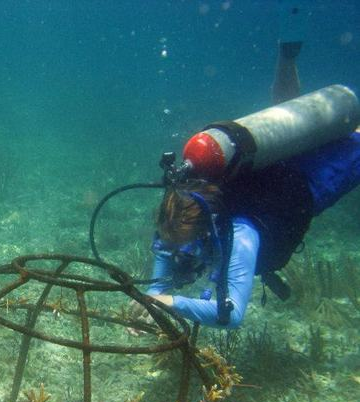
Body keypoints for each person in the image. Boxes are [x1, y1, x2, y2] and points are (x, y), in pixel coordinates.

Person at [136, 41, 360, 329]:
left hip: (312, 182)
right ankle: (287, 55)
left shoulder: (241, 235)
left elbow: (230, 314)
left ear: (207, 228)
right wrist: (152, 299)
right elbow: (164, 255)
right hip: (273, 164)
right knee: (289, 122)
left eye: (179, 243)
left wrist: (171, 303)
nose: (171, 250)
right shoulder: (182, 207)